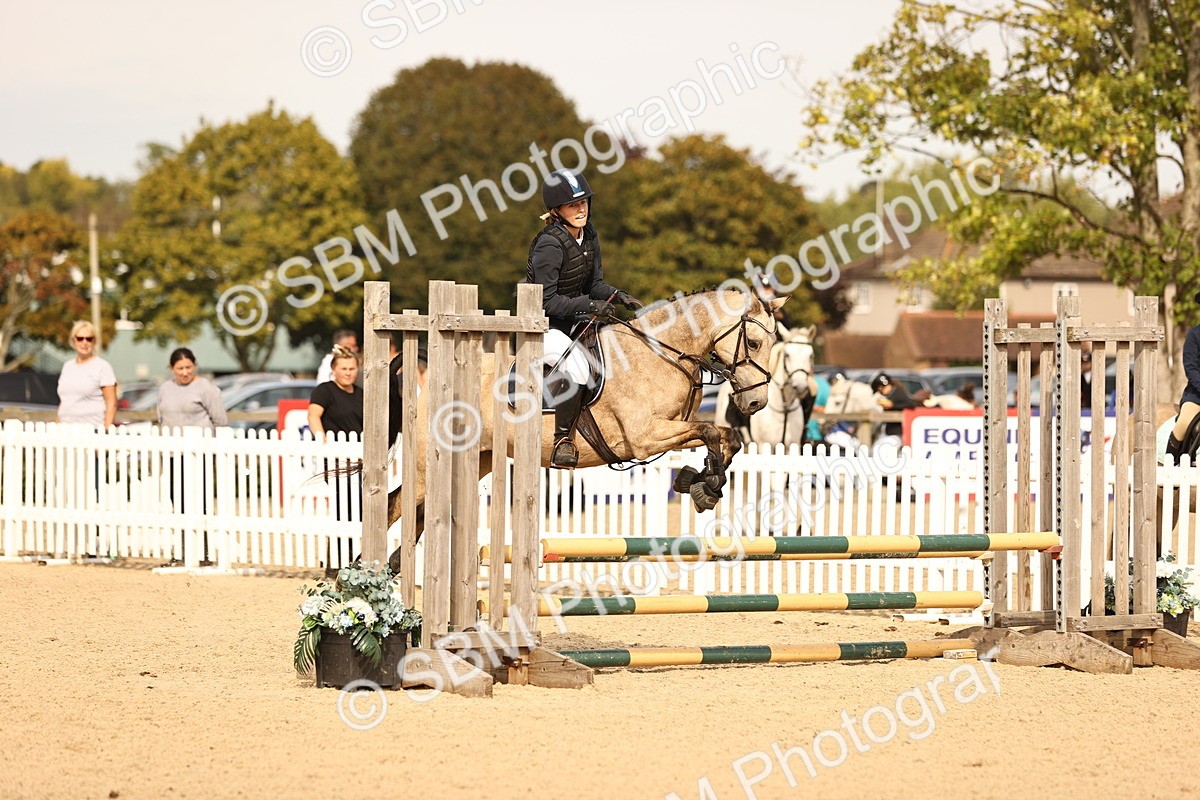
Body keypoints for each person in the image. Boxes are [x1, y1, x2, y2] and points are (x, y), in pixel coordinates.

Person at [525, 169, 642, 468]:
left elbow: (594, 284)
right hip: (542, 326)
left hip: (574, 322)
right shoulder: (549, 244)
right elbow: (547, 300)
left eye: (583, 202)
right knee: (578, 368)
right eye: (572, 205)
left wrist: (617, 295)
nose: (581, 210)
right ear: (556, 211)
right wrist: (590, 304)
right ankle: (562, 441)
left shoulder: (588, 235)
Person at [57, 320, 117, 427]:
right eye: (80, 338)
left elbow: (111, 402)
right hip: (64, 428)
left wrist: (107, 430)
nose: (84, 342)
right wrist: (56, 425)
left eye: (89, 339)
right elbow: (64, 402)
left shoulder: (102, 367)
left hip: (92, 429)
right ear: (74, 340)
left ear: (94, 341)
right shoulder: (67, 366)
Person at [157, 348, 227, 430]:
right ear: (172, 368)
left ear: (195, 366)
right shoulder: (165, 388)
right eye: (180, 368)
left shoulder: (205, 387)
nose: (185, 373)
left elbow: (220, 421)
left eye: (188, 367)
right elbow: (160, 419)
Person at [1168, 294, 1200, 463]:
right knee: (1183, 424)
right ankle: (1170, 464)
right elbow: (1191, 368)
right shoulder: (1194, 334)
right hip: (1197, 396)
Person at [871, 372, 919, 438]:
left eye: (880, 390)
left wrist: (892, 405)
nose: (880, 393)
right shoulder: (890, 395)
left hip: (897, 432)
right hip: (890, 431)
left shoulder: (898, 391)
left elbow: (911, 404)